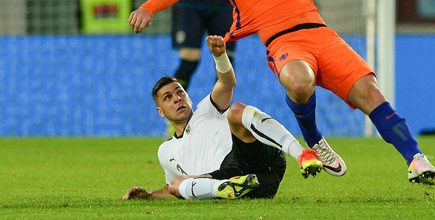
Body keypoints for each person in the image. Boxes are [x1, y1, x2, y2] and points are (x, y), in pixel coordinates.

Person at [129, 0, 435, 185]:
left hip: (322, 34)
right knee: (299, 81)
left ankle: (415, 158)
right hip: (284, 42)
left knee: (371, 93)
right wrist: (148, 7)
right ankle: (314, 140)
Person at [123, 35, 323, 201]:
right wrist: (148, 196)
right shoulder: (165, 151)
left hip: (252, 156)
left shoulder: (206, 109)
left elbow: (227, 83)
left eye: (180, 92)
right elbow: (173, 189)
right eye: (168, 97)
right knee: (177, 184)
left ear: (189, 97)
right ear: (161, 111)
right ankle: (225, 188)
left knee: (236, 111)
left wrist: (220, 56)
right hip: (250, 181)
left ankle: (301, 154)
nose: (177, 99)